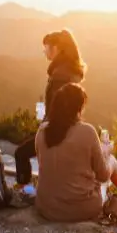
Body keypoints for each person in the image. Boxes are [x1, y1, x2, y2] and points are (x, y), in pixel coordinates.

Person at [34, 84, 117, 222]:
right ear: (79, 108)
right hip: (79, 210)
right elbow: (103, 176)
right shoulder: (87, 131)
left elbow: (49, 165)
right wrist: (105, 151)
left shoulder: (42, 130)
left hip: (46, 206)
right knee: (111, 160)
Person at [15, 29, 86, 186]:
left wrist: (43, 129)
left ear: (56, 48)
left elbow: (57, 108)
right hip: (68, 128)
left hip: (56, 131)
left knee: (20, 153)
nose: (44, 52)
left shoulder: (60, 75)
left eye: (46, 48)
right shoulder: (70, 69)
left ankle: (23, 189)